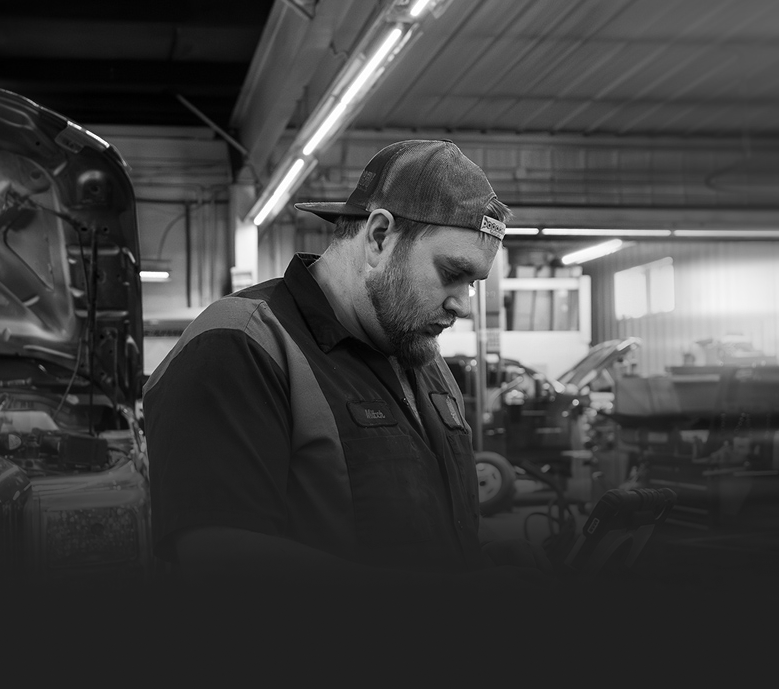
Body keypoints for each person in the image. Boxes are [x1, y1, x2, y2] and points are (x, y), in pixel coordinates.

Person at [143, 139, 515, 582]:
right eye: (453, 274)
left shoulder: (420, 357)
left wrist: (489, 559)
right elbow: (220, 557)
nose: (464, 306)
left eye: (473, 282)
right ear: (378, 237)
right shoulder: (240, 344)